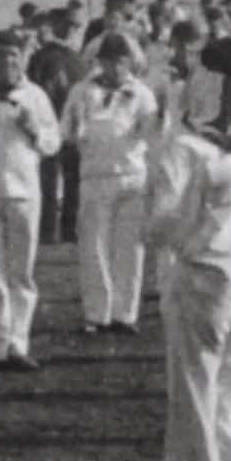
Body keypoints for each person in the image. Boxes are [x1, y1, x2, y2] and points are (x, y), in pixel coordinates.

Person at [147, 36, 231, 461]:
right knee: (197, 406)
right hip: (203, 286)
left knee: (226, 406)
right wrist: (199, 217)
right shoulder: (183, 148)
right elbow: (157, 228)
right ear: (216, 86)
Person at [0, 29, 61, 372]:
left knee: (21, 272)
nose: (8, 61)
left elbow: (54, 143)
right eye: (2, 55)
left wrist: (34, 129)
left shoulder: (34, 96)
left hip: (24, 191)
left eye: (14, 55)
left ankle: (17, 344)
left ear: (22, 59)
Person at [60, 34, 159, 335]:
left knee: (129, 248)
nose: (114, 67)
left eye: (120, 60)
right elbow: (66, 131)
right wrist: (77, 131)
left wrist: (156, 123)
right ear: (99, 62)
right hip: (95, 176)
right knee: (94, 247)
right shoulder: (82, 91)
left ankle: (125, 314)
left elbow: (152, 133)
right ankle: (97, 314)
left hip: (131, 176)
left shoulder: (141, 92)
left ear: (129, 62)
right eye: (108, 61)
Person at [28, 8, 88, 245]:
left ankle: (66, 228)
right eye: (68, 25)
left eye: (75, 27)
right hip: (50, 120)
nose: (72, 30)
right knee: (49, 177)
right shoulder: (44, 57)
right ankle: (49, 228)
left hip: (69, 120)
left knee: (70, 177)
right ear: (57, 25)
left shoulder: (76, 57)